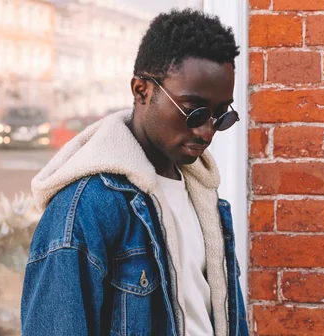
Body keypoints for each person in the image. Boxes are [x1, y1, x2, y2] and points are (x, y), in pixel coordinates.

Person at [21, 9, 248, 336]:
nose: (207, 132)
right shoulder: (86, 211)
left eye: (220, 115)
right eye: (194, 111)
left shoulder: (205, 198)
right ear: (142, 90)